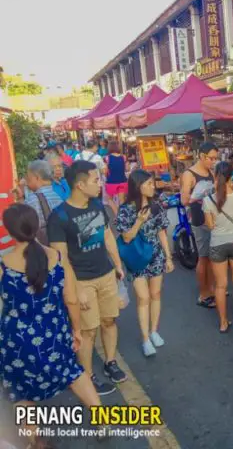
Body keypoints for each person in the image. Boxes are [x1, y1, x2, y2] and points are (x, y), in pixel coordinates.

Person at [0, 204, 103, 448]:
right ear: (36, 226)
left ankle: (36, 440)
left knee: (20, 390)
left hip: (17, 342)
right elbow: (71, 300)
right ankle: (102, 422)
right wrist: (76, 331)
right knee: (73, 373)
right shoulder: (56, 258)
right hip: (55, 334)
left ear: (9, 231)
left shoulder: (4, 264)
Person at [47, 161, 127, 396]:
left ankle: (110, 362)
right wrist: (74, 289)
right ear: (80, 185)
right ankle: (88, 376)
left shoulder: (96, 206)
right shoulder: (59, 216)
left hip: (105, 274)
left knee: (110, 320)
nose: (100, 184)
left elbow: (107, 236)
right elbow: (61, 259)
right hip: (82, 281)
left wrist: (118, 264)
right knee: (88, 330)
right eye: (95, 180)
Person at [116, 170, 173, 356]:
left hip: (156, 254)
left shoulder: (156, 206)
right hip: (136, 258)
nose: (152, 186)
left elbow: (162, 232)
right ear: (137, 186)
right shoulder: (126, 209)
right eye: (148, 184)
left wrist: (168, 256)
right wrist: (139, 221)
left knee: (156, 294)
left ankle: (154, 331)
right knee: (143, 297)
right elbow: (126, 237)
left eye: (152, 183)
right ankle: (145, 339)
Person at [203, 162, 233, 333]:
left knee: (221, 286)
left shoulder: (208, 200)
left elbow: (210, 226)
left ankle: (223, 322)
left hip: (217, 244)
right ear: (232, 178)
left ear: (216, 177)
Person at [180, 142, 218, 309]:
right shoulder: (189, 174)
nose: (213, 161)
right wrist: (200, 195)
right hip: (198, 218)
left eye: (215, 158)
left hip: (212, 218)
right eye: (211, 158)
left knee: (211, 257)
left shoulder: (210, 171)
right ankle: (203, 294)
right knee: (203, 257)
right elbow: (184, 200)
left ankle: (211, 289)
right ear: (202, 156)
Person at [14, 161, 64, 243]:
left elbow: (22, 220)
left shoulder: (33, 199)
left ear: (37, 178)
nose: (26, 181)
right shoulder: (58, 194)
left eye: (28, 178)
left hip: (43, 246)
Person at [104, 140, 128, 209]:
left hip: (111, 181)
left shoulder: (107, 158)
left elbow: (105, 171)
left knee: (110, 200)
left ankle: (116, 214)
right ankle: (122, 215)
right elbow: (127, 169)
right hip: (122, 181)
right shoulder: (123, 157)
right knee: (122, 201)